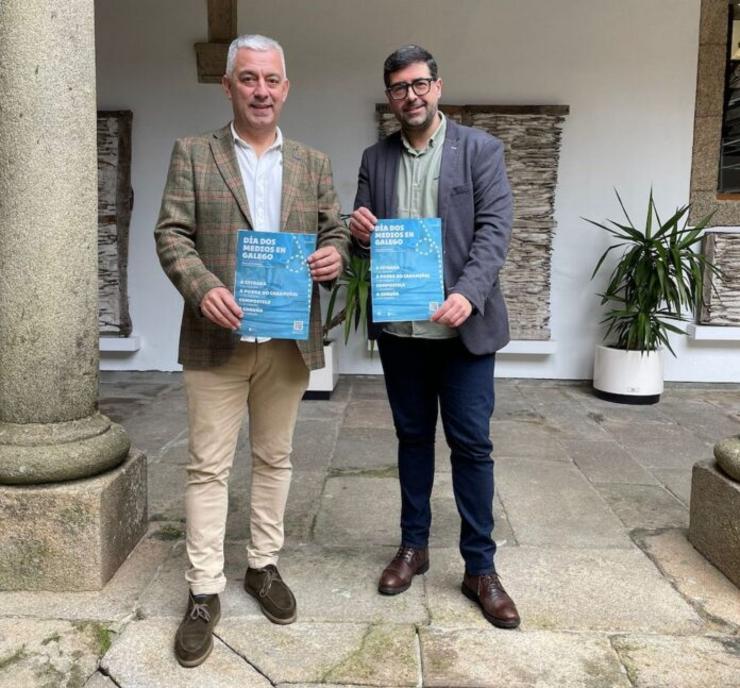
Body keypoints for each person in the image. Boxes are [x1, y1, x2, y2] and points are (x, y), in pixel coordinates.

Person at [155, 34, 350, 667]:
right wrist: (202, 287)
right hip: (218, 336)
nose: (261, 90)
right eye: (248, 79)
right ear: (229, 85)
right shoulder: (193, 153)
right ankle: (203, 589)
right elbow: (172, 234)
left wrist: (334, 256)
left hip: (287, 341)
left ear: (285, 88)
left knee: (276, 457)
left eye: (271, 79)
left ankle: (262, 566)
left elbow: (335, 229)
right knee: (208, 466)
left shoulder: (313, 163)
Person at [349, 44, 519, 629]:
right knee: (413, 439)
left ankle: (480, 568)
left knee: (471, 445)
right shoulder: (376, 158)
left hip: (463, 331)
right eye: (399, 88)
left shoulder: (480, 150)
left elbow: (496, 230)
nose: (411, 96)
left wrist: (468, 292)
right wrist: (360, 231)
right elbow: (362, 237)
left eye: (419, 84)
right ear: (391, 97)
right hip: (403, 331)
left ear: (438, 86)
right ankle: (413, 547)